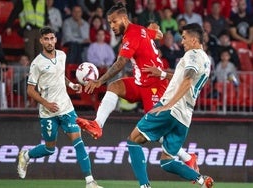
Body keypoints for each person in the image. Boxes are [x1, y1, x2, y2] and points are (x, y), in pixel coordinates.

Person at [76, 2, 199, 173]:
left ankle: (188, 157)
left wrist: (99, 81)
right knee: (115, 86)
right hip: (140, 82)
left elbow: (120, 63)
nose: (111, 26)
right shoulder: (138, 29)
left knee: (155, 131)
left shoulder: (132, 35)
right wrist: (155, 32)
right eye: (109, 22)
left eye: (113, 22)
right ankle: (97, 124)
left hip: (155, 85)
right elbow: (158, 33)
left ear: (124, 19)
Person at [127, 23, 214, 188]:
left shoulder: (192, 54)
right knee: (166, 162)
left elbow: (187, 81)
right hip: (185, 116)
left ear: (194, 40)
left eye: (184, 38)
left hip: (171, 108)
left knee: (133, 140)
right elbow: (183, 76)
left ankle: (144, 186)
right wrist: (162, 73)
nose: (182, 42)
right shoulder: (205, 60)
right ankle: (202, 180)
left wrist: (168, 105)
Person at [17, 26, 102, 188]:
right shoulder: (37, 64)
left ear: (55, 39)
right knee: (50, 149)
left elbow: (59, 75)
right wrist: (46, 103)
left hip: (66, 108)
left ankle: (90, 182)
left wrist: (72, 85)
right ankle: (26, 155)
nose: (49, 42)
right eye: (46, 39)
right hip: (48, 112)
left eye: (51, 38)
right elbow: (30, 90)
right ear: (41, 41)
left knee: (78, 142)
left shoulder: (62, 55)